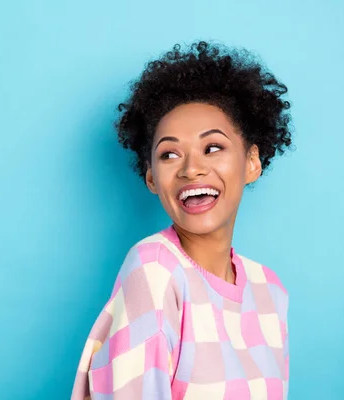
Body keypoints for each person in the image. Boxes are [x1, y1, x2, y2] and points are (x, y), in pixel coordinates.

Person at [70, 41, 293, 400]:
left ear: (252, 162)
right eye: (170, 154)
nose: (192, 169)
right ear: (152, 178)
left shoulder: (269, 290)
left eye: (213, 147)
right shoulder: (154, 271)